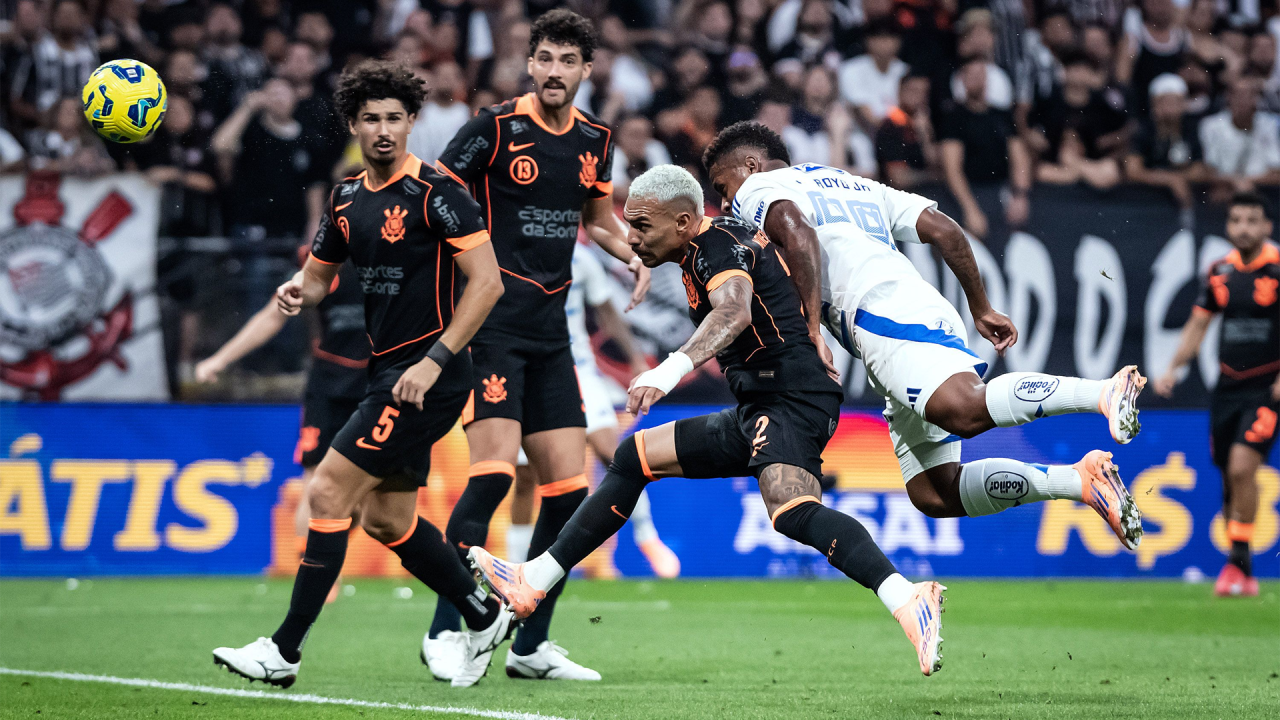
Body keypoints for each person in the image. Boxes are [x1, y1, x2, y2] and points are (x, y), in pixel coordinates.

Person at [470, 164, 949, 677]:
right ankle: (533, 581)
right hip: (761, 404)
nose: (633, 237)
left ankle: (907, 597)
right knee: (633, 457)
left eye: (642, 226)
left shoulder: (716, 244)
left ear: (682, 222)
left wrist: (670, 368)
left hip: (789, 399)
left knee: (791, 510)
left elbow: (735, 311)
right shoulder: (703, 247)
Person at [211, 59, 513, 690]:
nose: (383, 129)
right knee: (388, 521)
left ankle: (283, 652)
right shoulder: (347, 198)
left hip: (427, 375)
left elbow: (487, 285)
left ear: (411, 123)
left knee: (325, 494)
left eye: (394, 119)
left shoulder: (438, 194)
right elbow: (319, 278)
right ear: (353, 124)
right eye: (371, 118)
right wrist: (299, 291)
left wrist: (434, 363)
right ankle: (484, 613)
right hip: (388, 372)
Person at [702, 121, 1145, 550]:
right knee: (935, 491)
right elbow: (943, 229)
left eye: (724, 188)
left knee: (964, 409)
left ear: (751, 164)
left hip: (881, 312)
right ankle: (1079, 481)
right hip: (909, 308)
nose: (726, 204)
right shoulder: (854, 184)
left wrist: (813, 326)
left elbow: (797, 231)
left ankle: (1105, 391)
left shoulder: (757, 191)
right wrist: (981, 306)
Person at [423, 9, 650, 683]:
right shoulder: (495, 127)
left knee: (568, 492)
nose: (553, 71)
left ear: (587, 70)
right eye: (544, 58)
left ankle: (528, 648)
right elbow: (436, 186)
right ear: (530, 64)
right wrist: (467, 254)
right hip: (492, 326)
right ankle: (445, 629)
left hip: (553, 335)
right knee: (492, 476)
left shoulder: (594, 141)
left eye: (567, 61)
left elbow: (596, 220)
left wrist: (631, 254)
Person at [195, 252, 368, 604]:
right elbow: (273, 314)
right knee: (317, 484)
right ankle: (315, 571)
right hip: (328, 387)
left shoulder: (403, 260)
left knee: (366, 505)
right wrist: (221, 359)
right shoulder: (324, 265)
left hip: (378, 387)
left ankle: (325, 558)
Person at [503, 243, 680, 579]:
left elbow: (607, 313)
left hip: (580, 371)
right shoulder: (513, 255)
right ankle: (517, 566)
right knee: (525, 477)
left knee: (614, 455)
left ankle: (647, 537)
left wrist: (636, 360)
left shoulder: (580, 258)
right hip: (530, 373)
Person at [1154, 192, 1278, 598]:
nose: (1244, 227)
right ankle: (1240, 564)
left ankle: (1236, 564)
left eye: (1252, 220)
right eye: (1237, 220)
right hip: (1227, 387)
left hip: (1267, 387)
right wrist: (1175, 366)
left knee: (1244, 468)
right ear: (1229, 226)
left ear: (1266, 227)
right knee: (1228, 477)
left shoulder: (1277, 268)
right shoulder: (1220, 271)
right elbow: (1198, 325)